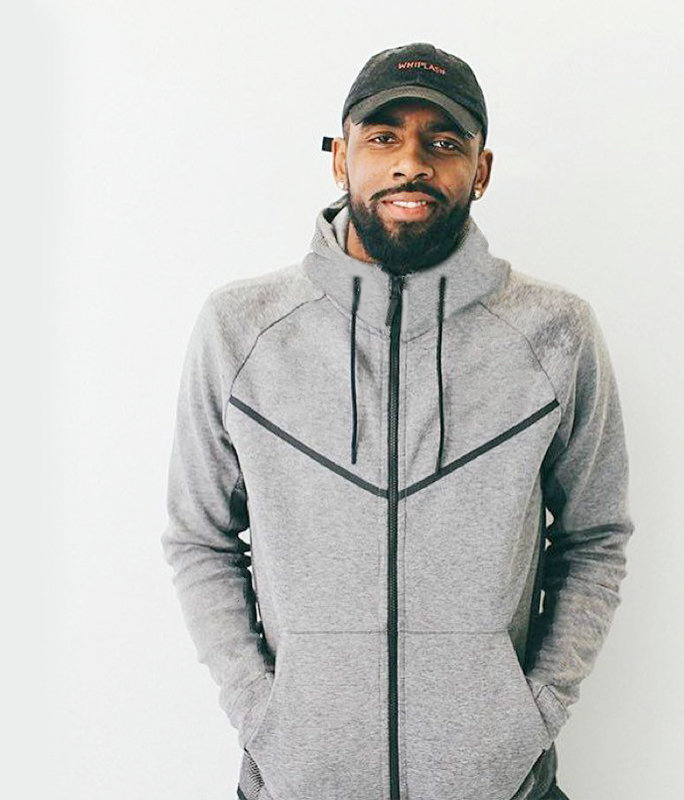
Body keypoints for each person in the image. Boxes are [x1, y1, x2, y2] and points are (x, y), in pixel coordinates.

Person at [161, 42, 634, 800]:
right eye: (384, 137)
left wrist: (532, 715)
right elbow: (201, 538)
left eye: (443, 142)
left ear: (480, 170)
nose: (411, 163)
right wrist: (263, 715)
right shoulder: (241, 328)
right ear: (340, 158)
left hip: (499, 785)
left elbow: (594, 538)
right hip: (296, 782)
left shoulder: (555, 332)